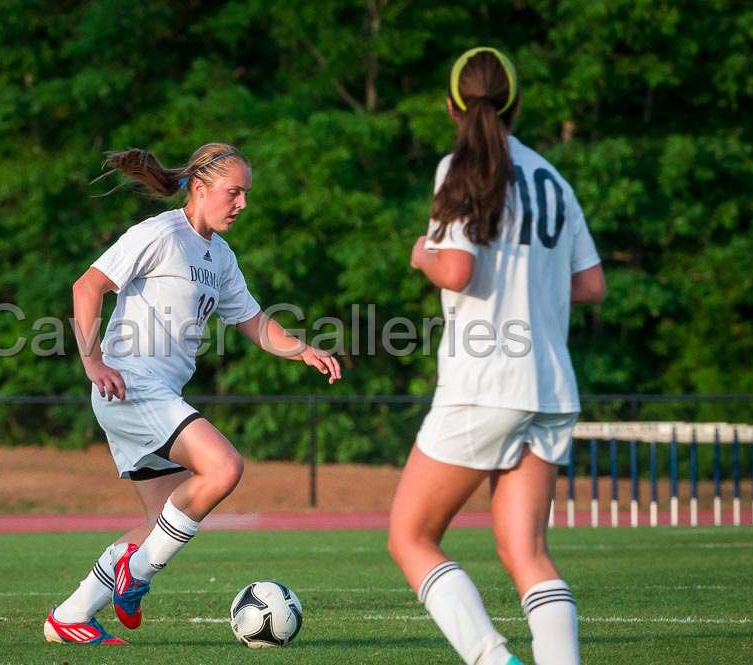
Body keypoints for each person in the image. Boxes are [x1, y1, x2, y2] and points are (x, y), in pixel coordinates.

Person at [43, 143, 342, 646]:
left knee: (161, 522)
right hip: (132, 385)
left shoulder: (219, 256)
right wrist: (92, 360)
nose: (242, 203)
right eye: (234, 191)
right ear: (200, 188)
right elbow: (86, 286)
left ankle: (70, 616)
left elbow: (252, 321)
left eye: (246, 193)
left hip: (150, 394)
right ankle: (134, 575)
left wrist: (301, 350)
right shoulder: (160, 233)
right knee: (223, 467)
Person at [387, 47, 605, 665]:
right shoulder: (553, 179)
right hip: (551, 388)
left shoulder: (460, 167)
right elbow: (591, 285)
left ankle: (493, 660)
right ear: (515, 102)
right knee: (525, 552)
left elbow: (456, 269)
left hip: (485, 382)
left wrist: (420, 254)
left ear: (451, 104)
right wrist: (532, 282)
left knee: (411, 536)